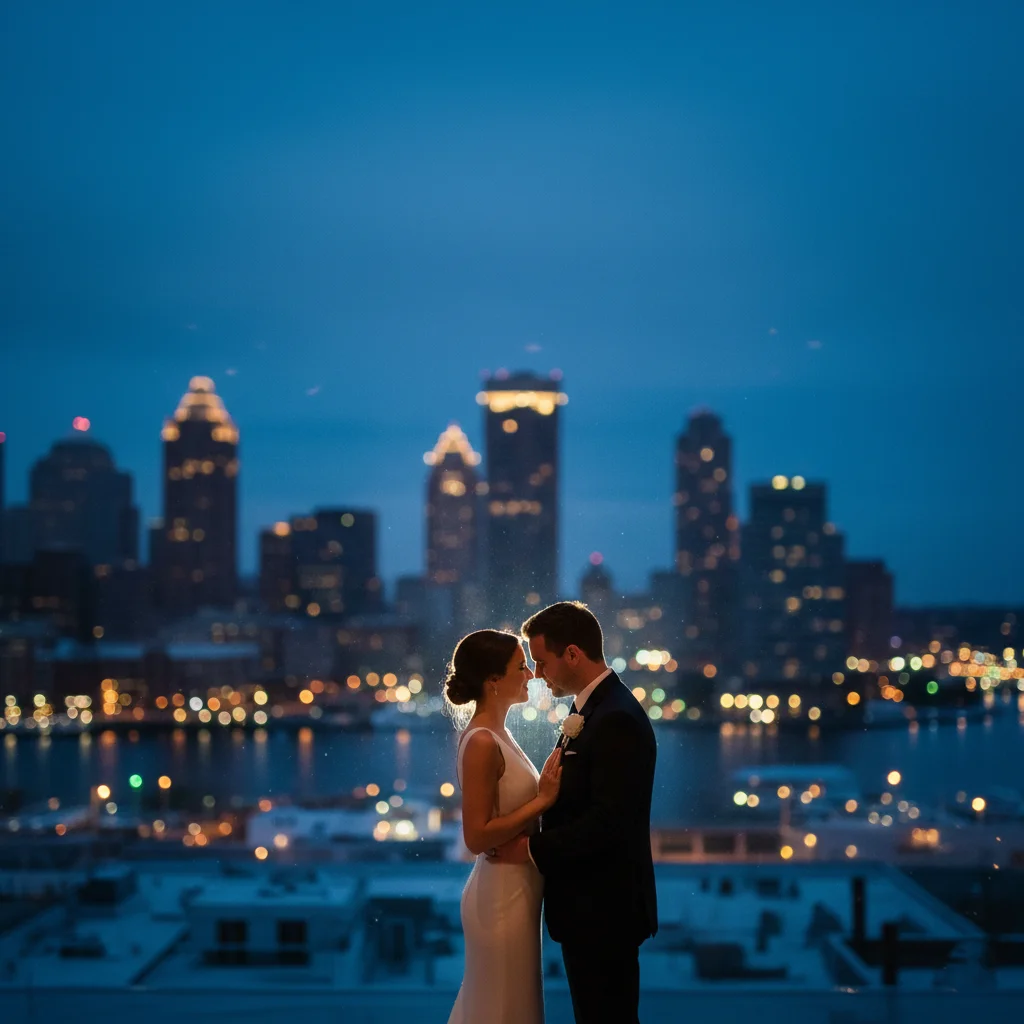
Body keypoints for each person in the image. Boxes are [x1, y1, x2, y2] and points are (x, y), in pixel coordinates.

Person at [489, 601, 659, 1024]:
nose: (539, 675)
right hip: (591, 908)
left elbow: (609, 823)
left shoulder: (615, 717)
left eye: (543, 662)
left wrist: (528, 849)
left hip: (604, 909)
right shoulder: (593, 709)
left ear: (573, 654)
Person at [445, 629, 563, 1024]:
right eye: (521, 666)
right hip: (500, 896)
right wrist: (542, 801)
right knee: (501, 1008)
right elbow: (477, 836)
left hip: (517, 887)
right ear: (493, 680)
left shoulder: (499, 733)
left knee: (512, 1005)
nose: (531, 674)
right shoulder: (481, 741)